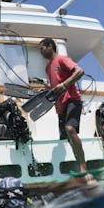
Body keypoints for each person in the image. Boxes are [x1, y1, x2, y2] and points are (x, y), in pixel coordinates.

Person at [38, 38, 91, 180]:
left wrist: (64, 85)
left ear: (50, 46)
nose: (41, 52)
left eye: (42, 48)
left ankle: (84, 167)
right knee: (67, 137)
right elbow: (55, 85)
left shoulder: (62, 59)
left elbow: (80, 72)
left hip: (72, 99)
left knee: (70, 129)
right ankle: (79, 165)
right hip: (60, 105)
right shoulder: (47, 68)